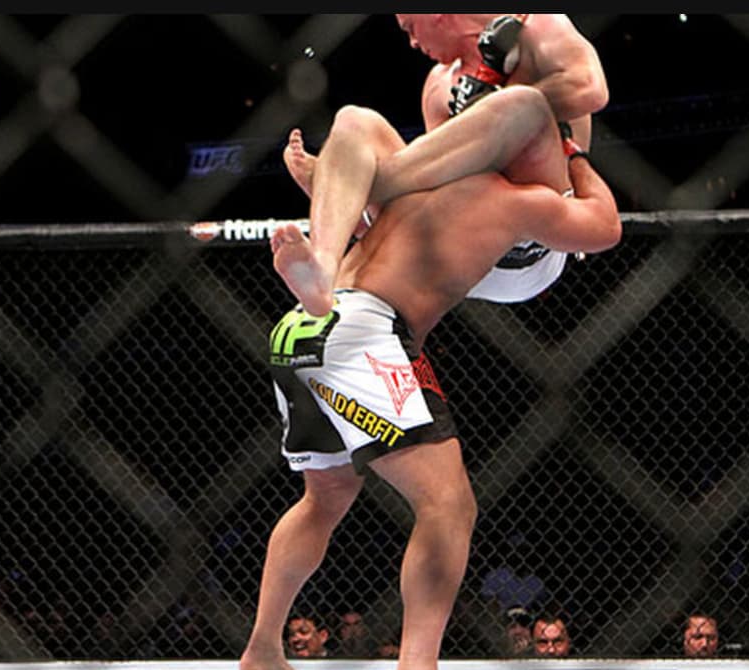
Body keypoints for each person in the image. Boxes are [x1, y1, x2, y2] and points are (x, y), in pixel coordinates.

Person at [238, 99, 620, 670]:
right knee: (447, 506)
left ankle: (264, 647)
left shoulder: (412, 184)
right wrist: (577, 158)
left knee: (324, 499)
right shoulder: (517, 202)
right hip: (366, 333)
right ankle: (419, 663)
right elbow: (605, 228)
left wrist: (326, 180)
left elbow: (373, 208)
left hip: (300, 331)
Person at [276, 13, 608, 316]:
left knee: (520, 105)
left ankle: (359, 185)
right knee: (353, 121)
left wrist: (487, 105)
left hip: (538, 239)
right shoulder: (438, 87)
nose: (413, 43)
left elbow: (591, 90)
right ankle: (323, 267)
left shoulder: (538, 25)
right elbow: (436, 188)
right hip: (464, 247)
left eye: (411, 28)